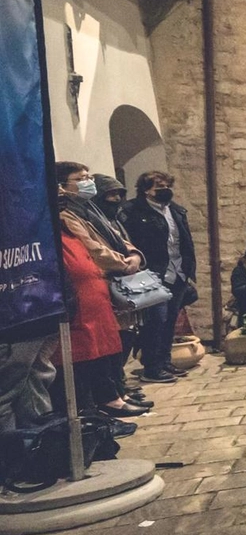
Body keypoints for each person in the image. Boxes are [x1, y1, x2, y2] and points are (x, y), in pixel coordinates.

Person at [59, 169, 149, 409]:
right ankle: (108, 400)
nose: (88, 183)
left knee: (120, 340)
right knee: (98, 349)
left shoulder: (92, 208)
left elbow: (116, 234)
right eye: (80, 179)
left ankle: (117, 391)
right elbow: (93, 248)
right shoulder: (68, 215)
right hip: (102, 281)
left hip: (113, 279)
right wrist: (123, 263)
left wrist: (134, 255)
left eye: (89, 177)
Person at [117, 170, 196, 385]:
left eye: (167, 186)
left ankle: (164, 361)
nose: (165, 191)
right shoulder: (132, 211)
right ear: (145, 189)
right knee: (155, 320)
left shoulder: (176, 211)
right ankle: (151, 367)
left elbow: (183, 241)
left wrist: (188, 270)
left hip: (177, 272)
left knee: (170, 319)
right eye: (159, 187)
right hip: (152, 273)